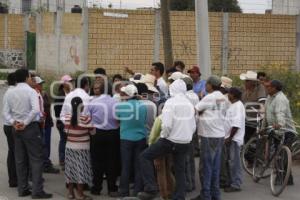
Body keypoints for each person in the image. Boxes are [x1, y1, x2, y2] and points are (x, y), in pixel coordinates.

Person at [138, 79, 196, 200]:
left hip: (170, 140)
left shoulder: (171, 102)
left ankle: (151, 188)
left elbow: (167, 124)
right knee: (180, 170)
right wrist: (187, 137)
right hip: (185, 141)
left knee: (144, 156)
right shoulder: (189, 104)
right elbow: (193, 125)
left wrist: (163, 137)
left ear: (172, 89)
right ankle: (180, 196)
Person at [5, 69, 52, 198]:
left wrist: (14, 122)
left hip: (16, 128)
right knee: (36, 159)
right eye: (30, 77)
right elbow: (36, 110)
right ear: (26, 77)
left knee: (20, 160)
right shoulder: (31, 91)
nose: (31, 78)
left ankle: (22, 188)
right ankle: (37, 191)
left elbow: (5, 112)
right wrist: (25, 123)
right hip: (30, 128)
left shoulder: (10, 92)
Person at [192, 75, 227, 200]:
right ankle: (215, 194)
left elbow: (195, 109)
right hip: (219, 134)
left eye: (207, 84)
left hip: (208, 135)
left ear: (211, 85)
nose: (205, 86)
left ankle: (206, 194)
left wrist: (201, 113)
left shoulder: (209, 97)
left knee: (206, 166)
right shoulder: (222, 97)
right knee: (215, 166)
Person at [86, 82, 120, 197]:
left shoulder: (92, 102)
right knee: (112, 161)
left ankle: (96, 187)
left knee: (97, 162)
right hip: (113, 134)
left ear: (99, 90)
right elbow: (119, 118)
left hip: (97, 134)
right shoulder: (116, 102)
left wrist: (92, 130)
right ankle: (112, 188)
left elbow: (86, 118)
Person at [115, 84, 148, 197]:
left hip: (126, 138)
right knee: (138, 165)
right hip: (141, 138)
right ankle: (137, 190)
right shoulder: (143, 106)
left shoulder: (121, 106)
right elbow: (144, 120)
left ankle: (124, 191)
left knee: (126, 166)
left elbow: (117, 120)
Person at [262, 80, 296, 185]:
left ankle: (281, 177)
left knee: (282, 154)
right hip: (275, 130)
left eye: (269, 87)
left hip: (286, 130)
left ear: (275, 88)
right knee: (278, 152)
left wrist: (280, 123)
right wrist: (263, 127)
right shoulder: (269, 97)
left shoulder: (280, 99)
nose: (267, 88)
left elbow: (280, 113)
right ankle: (287, 178)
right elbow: (266, 113)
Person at [63, 97, 93, 200]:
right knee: (81, 170)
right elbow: (93, 132)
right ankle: (81, 194)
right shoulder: (86, 118)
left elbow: (65, 131)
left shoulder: (67, 117)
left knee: (70, 170)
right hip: (83, 148)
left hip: (70, 147)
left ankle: (71, 194)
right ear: (82, 106)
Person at [33, 76, 59, 174]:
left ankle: (45, 163)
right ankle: (45, 164)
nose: (41, 86)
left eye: (41, 84)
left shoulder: (43, 94)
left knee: (46, 145)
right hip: (41, 124)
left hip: (47, 122)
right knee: (43, 145)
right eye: (40, 84)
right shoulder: (34, 95)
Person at [223, 87, 245, 192]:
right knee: (229, 161)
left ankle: (236, 184)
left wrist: (230, 138)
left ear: (233, 95)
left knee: (234, 162)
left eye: (229, 93)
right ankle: (230, 181)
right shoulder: (233, 105)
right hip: (229, 138)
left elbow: (236, 125)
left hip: (234, 139)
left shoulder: (238, 106)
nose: (228, 95)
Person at [182, 76, 199, 192]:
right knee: (191, 158)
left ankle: (188, 183)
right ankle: (192, 181)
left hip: (187, 130)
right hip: (194, 128)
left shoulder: (186, 97)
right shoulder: (195, 96)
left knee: (186, 159)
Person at [240, 71, 266, 145]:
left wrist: (261, 119)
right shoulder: (243, 89)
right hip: (244, 120)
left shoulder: (260, 88)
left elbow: (262, 103)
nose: (245, 82)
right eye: (245, 81)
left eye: (247, 81)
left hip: (254, 120)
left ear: (252, 82)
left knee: (251, 140)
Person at [54, 74, 73, 170]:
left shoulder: (70, 93)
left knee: (67, 141)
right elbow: (57, 109)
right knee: (64, 140)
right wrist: (60, 121)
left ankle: (67, 160)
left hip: (69, 122)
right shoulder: (60, 95)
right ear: (64, 84)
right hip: (62, 122)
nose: (71, 83)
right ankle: (62, 160)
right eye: (69, 81)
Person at [2, 72, 17, 188]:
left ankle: (13, 179)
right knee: (13, 152)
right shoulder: (12, 92)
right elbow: (6, 112)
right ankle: (13, 179)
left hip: (9, 125)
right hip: (11, 125)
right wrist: (14, 122)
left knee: (12, 151)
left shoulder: (9, 92)